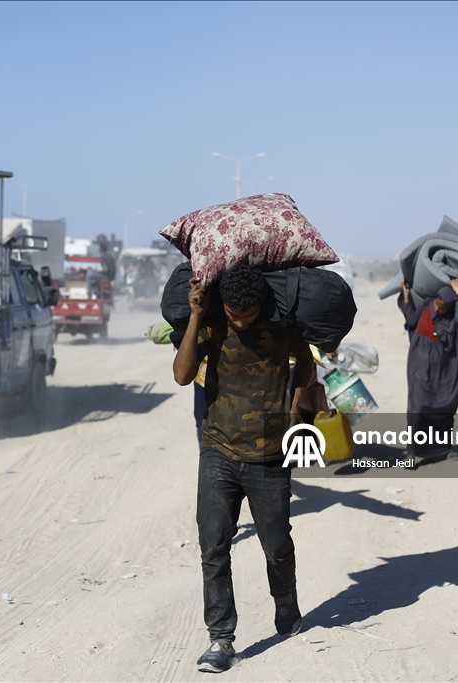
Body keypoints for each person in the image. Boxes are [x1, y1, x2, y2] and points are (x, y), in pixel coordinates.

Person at [173, 262, 314, 674]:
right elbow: (183, 376)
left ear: (262, 305)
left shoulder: (281, 324)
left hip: (270, 454)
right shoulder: (213, 322)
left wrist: (296, 405)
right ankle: (221, 638)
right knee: (213, 544)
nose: (239, 320)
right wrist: (198, 314)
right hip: (218, 449)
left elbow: (306, 363)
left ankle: (285, 600)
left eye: (246, 315)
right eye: (234, 313)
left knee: (276, 545)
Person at [398, 277, 458, 465]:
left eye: (442, 308)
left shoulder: (453, 323)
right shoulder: (428, 306)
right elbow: (412, 319)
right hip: (418, 368)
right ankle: (412, 453)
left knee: (443, 407)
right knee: (417, 407)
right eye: (437, 305)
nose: (437, 309)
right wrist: (406, 298)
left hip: (442, 374)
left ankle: (444, 449)